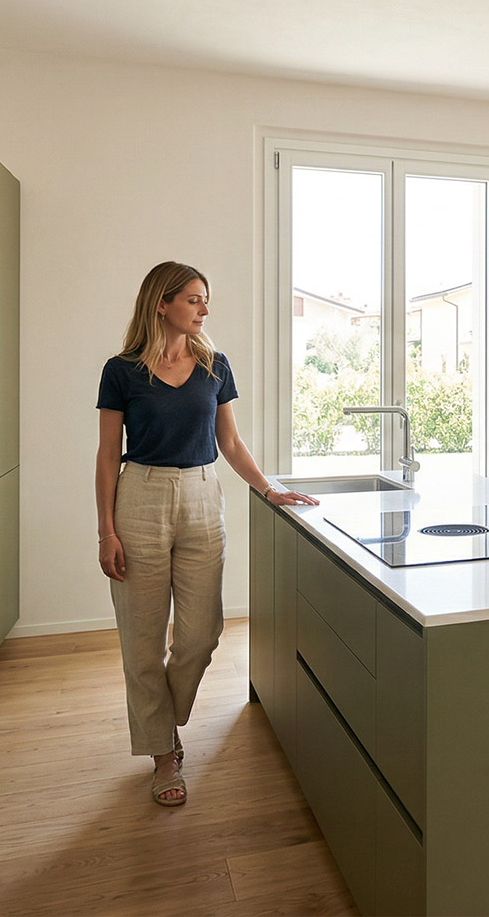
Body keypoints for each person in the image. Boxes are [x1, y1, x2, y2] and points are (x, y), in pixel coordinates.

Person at [95, 260, 317, 807]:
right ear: (161, 304)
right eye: (194, 299)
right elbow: (105, 455)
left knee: (200, 635)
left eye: (205, 299)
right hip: (139, 496)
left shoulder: (215, 366)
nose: (204, 308)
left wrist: (269, 489)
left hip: (201, 494)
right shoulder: (121, 370)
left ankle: (162, 722)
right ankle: (163, 756)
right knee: (142, 642)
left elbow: (232, 444)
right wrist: (105, 530)